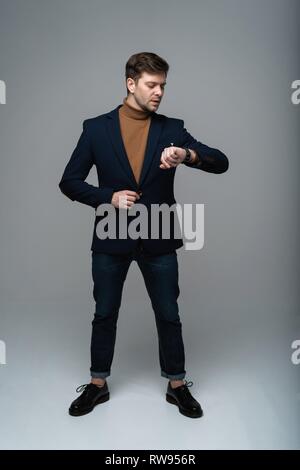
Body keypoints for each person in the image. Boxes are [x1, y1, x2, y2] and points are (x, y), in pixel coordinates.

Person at [58, 52, 229, 419]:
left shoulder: (172, 128)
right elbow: (68, 182)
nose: (159, 93)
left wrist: (187, 154)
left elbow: (221, 162)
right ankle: (97, 385)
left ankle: (177, 386)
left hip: (159, 236)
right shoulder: (95, 129)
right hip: (111, 234)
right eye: (152, 85)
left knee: (168, 313)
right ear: (130, 83)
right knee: (104, 312)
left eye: (163, 85)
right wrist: (108, 197)